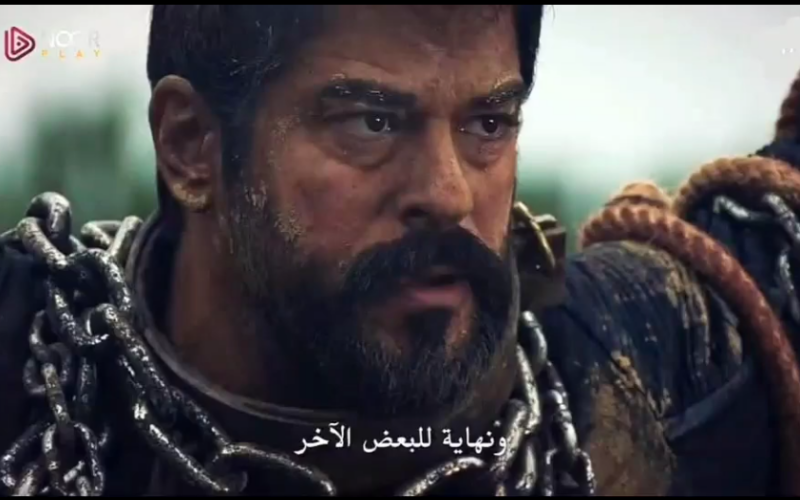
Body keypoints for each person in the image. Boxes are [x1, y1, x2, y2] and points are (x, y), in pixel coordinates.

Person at [1, 4, 799, 496]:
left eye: (488, 123)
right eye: (372, 122)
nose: (450, 195)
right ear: (191, 147)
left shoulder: (647, 374)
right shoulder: (26, 371)